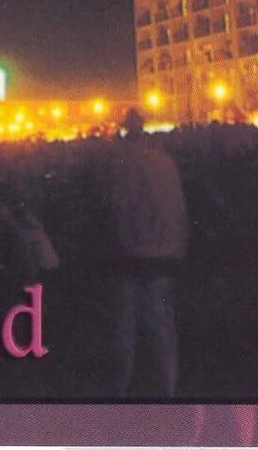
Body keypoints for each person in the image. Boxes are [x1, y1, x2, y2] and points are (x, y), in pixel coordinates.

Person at [107, 108, 188, 398]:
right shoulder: (165, 162)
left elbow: (120, 209)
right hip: (165, 253)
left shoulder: (122, 164)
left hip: (134, 253)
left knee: (125, 324)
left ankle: (122, 386)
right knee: (162, 323)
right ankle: (168, 385)